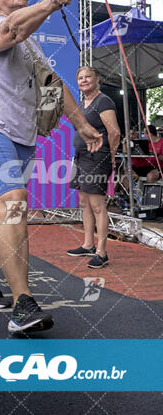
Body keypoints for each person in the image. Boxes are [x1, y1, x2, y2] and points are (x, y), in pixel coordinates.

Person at [0, 0, 103, 334]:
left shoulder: (32, 44)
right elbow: (13, 28)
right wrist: (51, 2)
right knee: (14, 201)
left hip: (21, 137)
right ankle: (23, 304)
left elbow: (54, 86)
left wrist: (84, 125)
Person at [67, 66, 120, 268]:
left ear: (96, 79)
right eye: (80, 78)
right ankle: (88, 244)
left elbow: (114, 132)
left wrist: (111, 156)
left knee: (98, 206)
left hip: (97, 157)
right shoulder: (82, 103)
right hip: (80, 156)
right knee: (84, 203)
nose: (84, 80)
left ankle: (102, 252)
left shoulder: (103, 101)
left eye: (88, 76)